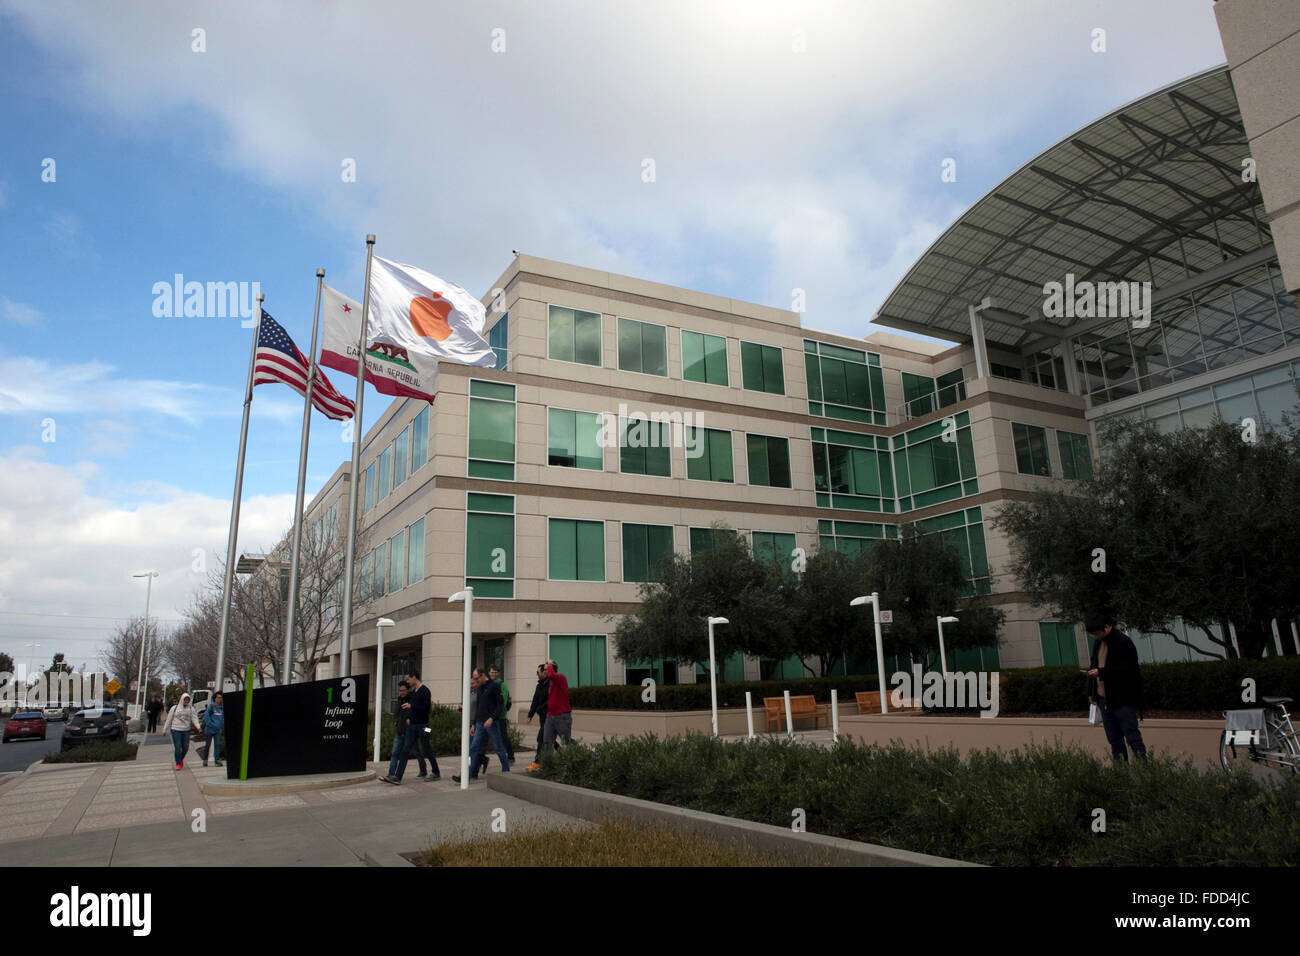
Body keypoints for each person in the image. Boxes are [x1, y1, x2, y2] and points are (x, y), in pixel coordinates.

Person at [1085, 610, 1147, 762]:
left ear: (1106, 627)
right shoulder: (1099, 643)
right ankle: (1120, 773)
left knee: (1132, 736)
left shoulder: (1122, 642)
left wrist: (1101, 672)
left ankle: (1144, 771)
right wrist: (1092, 692)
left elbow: (1128, 671)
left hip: (1123, 699)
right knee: (1114, 739)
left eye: (1097, 633)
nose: (1096, 636)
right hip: (1104, 699)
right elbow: (1094, 664)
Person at [453, 668, 510, 782]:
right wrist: (474, 724)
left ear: (482, 675)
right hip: (480, 723)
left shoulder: (494, 686)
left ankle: (506, 771)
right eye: (474, 679)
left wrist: (492, 718)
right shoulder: (480, 689)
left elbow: (500, 705)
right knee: (473, 749)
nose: (475, 681)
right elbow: (479, 707)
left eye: (477, 678)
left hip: (491, 723)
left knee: (498, 747)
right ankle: (465, 775)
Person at [405, 669, 440, 781]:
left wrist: (412, 707)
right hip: (413, 726)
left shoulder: (425, 691)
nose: (408, 681)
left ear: (414, 677)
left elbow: (426, 709)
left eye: (408, 679)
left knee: (426, 748)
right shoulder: (414, 692)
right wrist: (409, 717)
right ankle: (423, 770)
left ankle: (435, 772)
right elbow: (412, 709)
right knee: (413, 748)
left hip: (425, 726)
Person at [382, 682, 416, 784]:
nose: (401, 692)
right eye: (400, 690)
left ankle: (428, 770)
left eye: (403, 690)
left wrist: (410, 718)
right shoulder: (399, 700)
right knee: (395, 753)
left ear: (408, 690)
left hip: (410, 731)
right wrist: (396, 722)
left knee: (416, 752)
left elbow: (418, 714)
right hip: (399, 731)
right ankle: (391, 774)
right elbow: (396, 713)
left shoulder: (413, 701)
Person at [164, 692, 203, 771]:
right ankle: (178, 763)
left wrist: (198, 727)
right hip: (176, 730)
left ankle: (180, 758)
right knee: (178, 747)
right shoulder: (174, 708)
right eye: (185, 699)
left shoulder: (191, 708)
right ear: (182, 700)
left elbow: (194, 718)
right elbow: (169, 719)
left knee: (185, 747)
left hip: (186, 730)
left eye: (188, 700)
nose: (186, 701)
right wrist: (165, 729)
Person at [540, 660, 572, 754]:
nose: (545, 671)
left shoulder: (561, 678)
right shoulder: (550, 683)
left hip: (562, 716)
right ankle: (548, 765)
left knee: (566, 742)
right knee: (547, 742)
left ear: (552, 668)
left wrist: (549, 664)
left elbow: (551, 675)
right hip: (550, 716)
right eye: (544, 669)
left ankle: (574, 759)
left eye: (546, 669)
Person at [524, 664, 549, 772]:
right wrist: (530, 715)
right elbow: (535, 700)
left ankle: (537, 762)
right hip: (542, 716)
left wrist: (539, 708)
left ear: (544, 672)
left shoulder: (551, 684)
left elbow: (551, 701)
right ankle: (561, 755)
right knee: (547, 738)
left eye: (538, 672)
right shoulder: (539, 685)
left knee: (541, 738)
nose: (537, 674)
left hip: (551, 716)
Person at [200, 692, 225, 767]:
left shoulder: (221, 708)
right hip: (210, 730)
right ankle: (205, 760)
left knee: (217, 745)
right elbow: (206, 718)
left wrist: (221, 725)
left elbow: (223, 717)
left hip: (218, 730)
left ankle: (217, 760)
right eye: (218, 697)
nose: (220, 699)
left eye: (221, 698)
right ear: (215, 698)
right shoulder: (210, 707)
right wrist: (212, 725)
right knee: (208, 745)